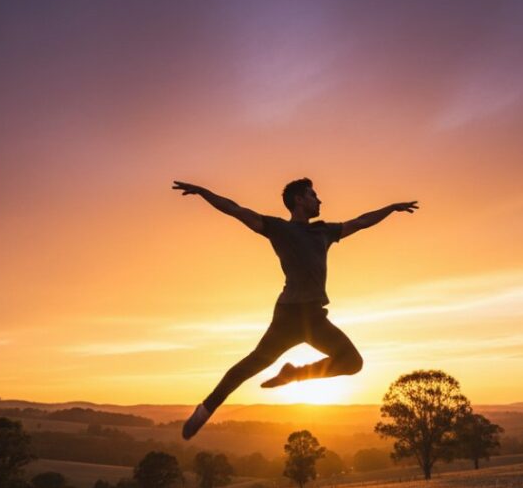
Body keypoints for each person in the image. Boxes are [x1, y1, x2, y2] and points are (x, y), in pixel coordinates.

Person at [173, 177, 418, 439]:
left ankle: (293, 374)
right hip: (288, 316)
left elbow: (360, 222)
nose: (319, 200)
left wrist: (391, 208)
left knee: (352, 362)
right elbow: (235, 209)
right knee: (251, 365)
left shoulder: (324, 231)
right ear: (299, 200)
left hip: (314, 317)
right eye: (313, 195)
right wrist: (203, 192)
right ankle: (204, 411)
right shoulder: (278, 228)